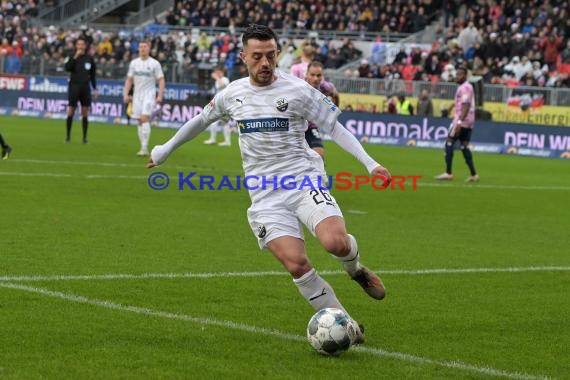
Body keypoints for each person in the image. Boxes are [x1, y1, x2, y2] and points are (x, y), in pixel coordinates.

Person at [147, 24, 391, 344]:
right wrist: (165, 150)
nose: (265, 63)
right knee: (296, 264)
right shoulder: (233, 93)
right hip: (264, 194)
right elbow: (201, 120)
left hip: (302, 179)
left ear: (278, 54)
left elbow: (335, 127)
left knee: (336, 244)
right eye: (257, 56)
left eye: (271, 55)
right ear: (243, 57)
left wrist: (370, 163)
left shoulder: (299, 90)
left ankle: (355, 268)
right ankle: (348, 326)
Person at [435, 67, 479, 182]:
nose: (456, 77)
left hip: (462, 120)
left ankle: (448, 173)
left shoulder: (465, 87)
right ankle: (474, 174)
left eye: (459, 75)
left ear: (464, 75)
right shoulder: (465, 87)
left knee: (449, 142)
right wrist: (451, 107)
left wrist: (459, 122)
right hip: (468, 120)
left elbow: (466, 105)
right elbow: (461, 103)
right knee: (464, 146)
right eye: (456, 74)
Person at [123, 41, 165, 156]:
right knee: (139, 120)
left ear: (149, 48)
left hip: (149, 94)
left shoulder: (154, 63)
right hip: (137, 95)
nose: (142, 49)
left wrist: (160, 95)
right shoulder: (134, 63)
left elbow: (161, 80)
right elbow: (129, 80)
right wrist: (125, 94)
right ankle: (143, 145)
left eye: (145, 46)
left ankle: (144, 147)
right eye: (141, 47)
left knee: (145, 118)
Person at [64, 37, 97, 144]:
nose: (80, 46)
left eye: (82, 44)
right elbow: (67, 68)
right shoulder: (71, 56)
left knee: (85, 112)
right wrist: (75, 57)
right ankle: (68, 136)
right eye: (79, 44)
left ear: (85, 46)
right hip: (74, 86)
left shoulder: (89, 58)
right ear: (76, 46)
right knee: (71, 111)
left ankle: (84, 138)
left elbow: (92, 75)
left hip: (85, 87)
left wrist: (95, 88)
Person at [304, 60, 339, 159]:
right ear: (307, 74)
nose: (315, 78)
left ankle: (319, 173)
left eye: (319, 75)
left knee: (319, 155)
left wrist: (334, 111)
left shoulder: (326, 87)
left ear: (322, 76)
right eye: (312, 75)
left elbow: (335, 95)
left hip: (311, 127)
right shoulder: (299, 86)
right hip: (295, 126)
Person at [203, 67, 232, 146]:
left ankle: (213, 139)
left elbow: (222, 85)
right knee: (224, 123)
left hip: (224, 104)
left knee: (216, 122)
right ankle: (227, 141)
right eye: (216, 72)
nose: (216, 73)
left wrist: (216, 77)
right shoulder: (217, 81)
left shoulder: (225, 79)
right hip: (220, 104)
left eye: (217, 72)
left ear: (222, 72)